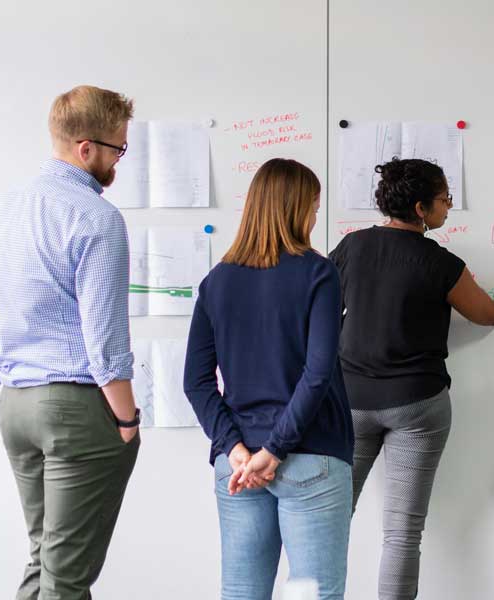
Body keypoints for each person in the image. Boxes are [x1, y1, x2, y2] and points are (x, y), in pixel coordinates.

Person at [328, 158, 494, 599]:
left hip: (350, 402)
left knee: (328, 520)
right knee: (402, 533)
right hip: (416, 405)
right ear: (421, 208)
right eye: (444, 200)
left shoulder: (352, 247)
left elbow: (323, 312)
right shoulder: (441, 263)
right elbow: (489, 314)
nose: (449, 208)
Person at [0, 85, 140, 599]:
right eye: (117, 148)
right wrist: (128, 418)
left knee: (46, 560)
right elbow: (105, 335)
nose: (120, 159)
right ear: (85, 149)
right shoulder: (96, 217)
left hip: (15, 404)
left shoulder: (3, 210)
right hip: (75, 407)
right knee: (67, 577)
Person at [183, 158, 354, 600]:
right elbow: (317, 374)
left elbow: (196, 382)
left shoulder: (216, 281)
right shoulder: (319, 273)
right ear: (296, 208)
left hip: (237, 466)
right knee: (311, 593)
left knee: (241, 592)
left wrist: (237, 450)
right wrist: (274, 450)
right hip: (310, 457)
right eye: (314, 206)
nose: (316, 216)